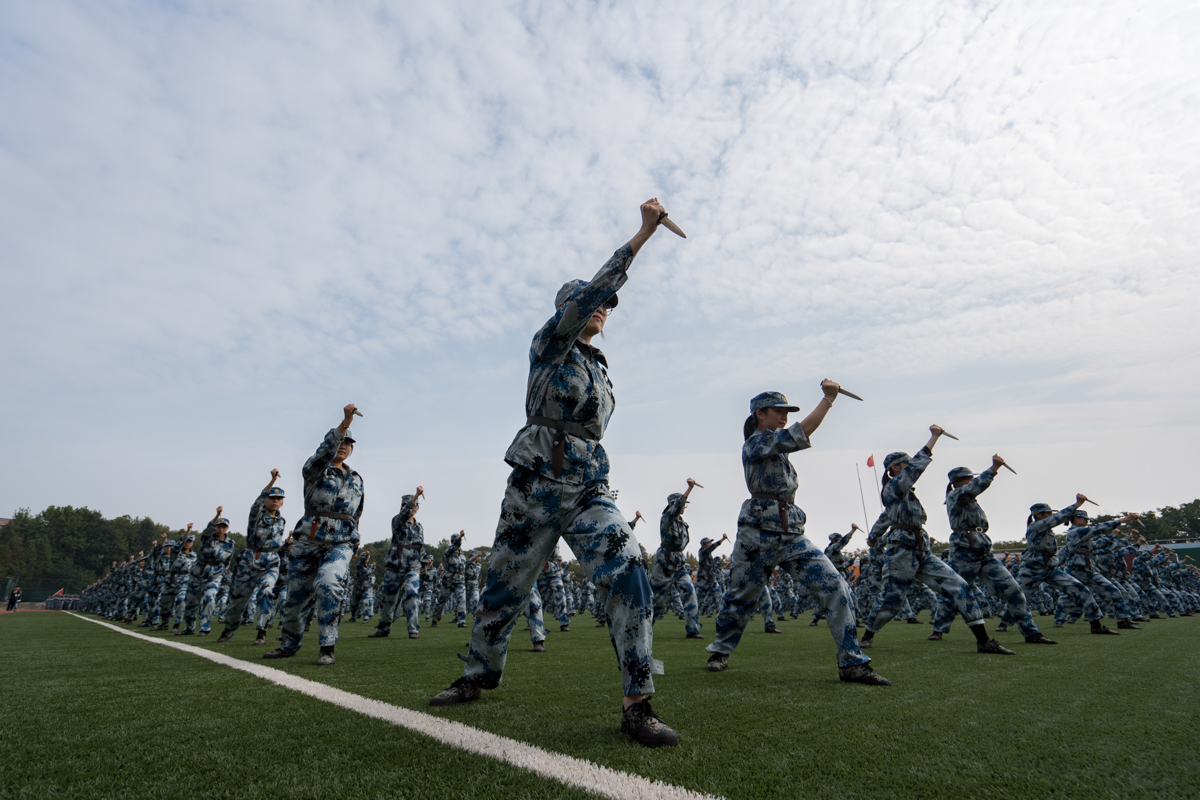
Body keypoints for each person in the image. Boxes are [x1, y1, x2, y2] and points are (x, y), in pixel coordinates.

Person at [428, 198, 678, 748]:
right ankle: (476, 676)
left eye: (608, 306)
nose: (601, 309)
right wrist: (642, 236)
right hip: (536, 482)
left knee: (631, 569)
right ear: (566, 307)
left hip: (588, 486)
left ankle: (638, 704)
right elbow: (591, 291)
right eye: (592, 301)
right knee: (504, 587)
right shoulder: (549, 345)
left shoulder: (601, 370)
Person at [704, 386, 889, 685]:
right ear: (759, 414)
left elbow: (795, 436)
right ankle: (721, 651)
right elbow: (801, 431)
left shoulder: (777, 449)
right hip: (758, 533)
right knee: (740, 598)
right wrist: (828, 399)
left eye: (786, 412)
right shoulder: (755, 443)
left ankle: (852, 663)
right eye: (778, 411)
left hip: (791, 533)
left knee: (836, 585)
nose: (784, 416)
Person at [860, 427, 1013, 655]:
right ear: (894, 468)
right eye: (905, 465)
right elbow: (914, 471)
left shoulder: (906, 496)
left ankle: (983, 641)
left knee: (960, 586)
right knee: (891, 599)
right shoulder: (892, 488)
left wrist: (873, 536)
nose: (910, 467)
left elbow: (885, 518)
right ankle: (867, 636)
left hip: (922, 550)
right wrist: (934, 438)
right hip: (901, 551)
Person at [264, 404, 365, 666]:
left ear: (352, 449)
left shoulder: (357, 479)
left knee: (329, 583)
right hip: (308, 540)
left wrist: (352, 543)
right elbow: (322, 454)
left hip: (340, 543)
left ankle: (327, 647)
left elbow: (357, 514)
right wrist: (343, 424)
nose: (343, 445)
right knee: (296, 598)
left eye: (348, 442)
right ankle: (288, 645)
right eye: (341, 441)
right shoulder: (315, 469)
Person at [930, 458, 1056, 645]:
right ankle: (939, 629)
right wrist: (994, 468)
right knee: (956, 591)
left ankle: (1031, 633)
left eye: (969, 478)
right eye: (966, 479)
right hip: (964, 551)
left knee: (1014, 590)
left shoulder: (970, 500)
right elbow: (977, 486)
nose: (969, 481)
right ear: (956, 482)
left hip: (982, 550)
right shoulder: (956, 495)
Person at [1018, 495, 1121, 635]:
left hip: (1049, 568)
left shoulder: (1046, 529)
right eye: (1047, 513)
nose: (1050, 515)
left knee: (1081, 589)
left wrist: (1073, 512)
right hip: (1032, 569)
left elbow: (1061, 518)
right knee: (1019, 598)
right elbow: (1059, 518)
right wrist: (1077, 504)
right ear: (1038, 514)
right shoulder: (1036, 526)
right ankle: (1005, 623)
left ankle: (1096, 625)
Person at [217, 470, 288, 644]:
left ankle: (262, 630)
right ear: (266, 499)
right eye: (272, 497)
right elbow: (257, 502)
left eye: (279, 499)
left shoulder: (282, 521)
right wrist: (271, 481)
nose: (275, 501)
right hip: (250, 561)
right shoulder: (256, 515)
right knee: (238, 602)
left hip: (270, 561)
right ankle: (229, 628)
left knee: (266, 592)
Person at [1060, 509, 1143, 629]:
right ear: (1076, 518)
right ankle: (1061, 619)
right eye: (1084, 519)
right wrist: (1126, 519)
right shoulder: (1075, 532)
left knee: (1114, 591)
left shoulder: (1084, 534)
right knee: (1071, 597)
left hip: (1089, 569)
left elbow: (1095, 546)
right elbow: (1099, 528)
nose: (1087, 521)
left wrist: (1111, 537)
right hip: (1075, 569)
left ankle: (1123, 621)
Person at [649, 479, 704, 639]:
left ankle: (692, 630)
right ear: (673, 504)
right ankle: (644, 629)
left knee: (690, 591)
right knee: (657, 602)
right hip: (664, 563)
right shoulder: (667, 517)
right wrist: (689, 488)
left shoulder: (683, 524)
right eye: (682, 504)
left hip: (679, 563)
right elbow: (678, 506)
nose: (684, 507)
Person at [369, 489, 425, 639]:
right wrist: (416, 496)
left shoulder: (419, 527)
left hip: (412, 565)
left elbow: (421, 547)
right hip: (395, 563)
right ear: (402, 506)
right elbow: (405, 512)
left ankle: (413, 629)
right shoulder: (397, 520)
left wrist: (424, 565)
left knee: (413, 595)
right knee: (390, 598)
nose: (412, 508)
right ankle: (383, 629)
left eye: (415, 505)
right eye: (409, 505)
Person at [178, 509, 236, 637]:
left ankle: (204, 627)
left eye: (223, 527)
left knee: (210, 599)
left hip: (214, 576)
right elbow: (208, 528)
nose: (220, 529)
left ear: (227, 528)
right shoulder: (207, 537)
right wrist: (217, 515)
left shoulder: (231, 544)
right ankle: (189, 627)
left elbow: (228, 561)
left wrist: (222, 570)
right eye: (218, 527)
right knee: (191, 603)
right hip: (198, 573)